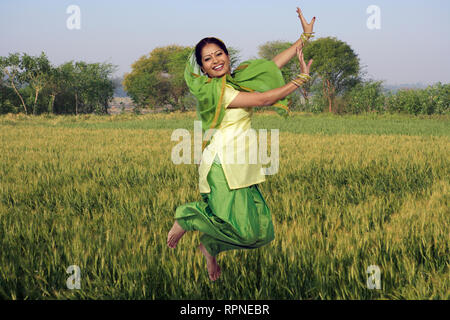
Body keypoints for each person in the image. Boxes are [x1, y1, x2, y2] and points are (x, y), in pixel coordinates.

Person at [167, 7, 316, 281]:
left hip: (242, 167)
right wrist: (301, 80)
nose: (215, 60)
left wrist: (304, 38)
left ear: (227, 55)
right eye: (208, 59)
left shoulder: (234, 82)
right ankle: (187, 217)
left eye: (219, 54)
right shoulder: (217, 92)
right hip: (223, 166)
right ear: (202, 68)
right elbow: (263, 100)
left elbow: (273, 65)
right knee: (243, 229)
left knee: (260, 232)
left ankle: (210, 246)